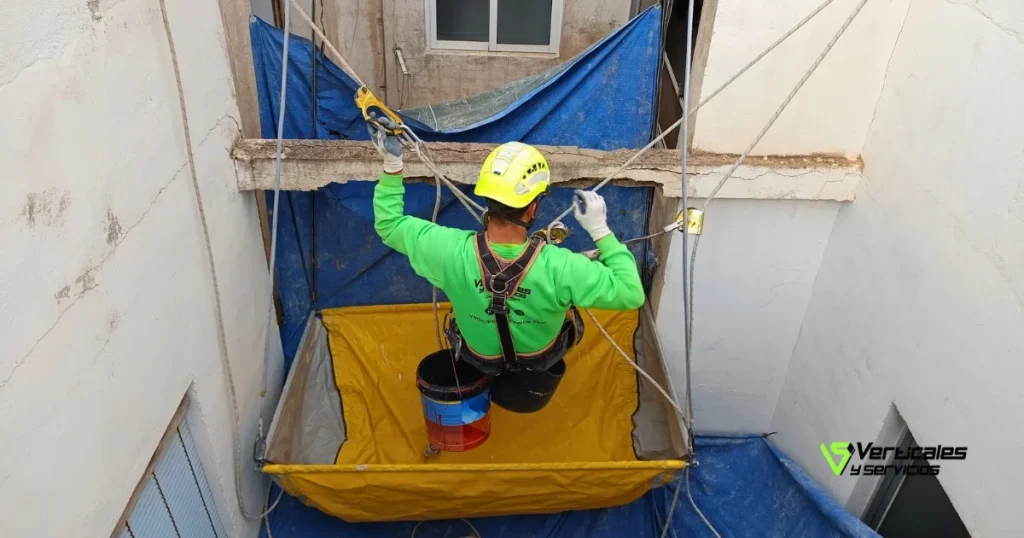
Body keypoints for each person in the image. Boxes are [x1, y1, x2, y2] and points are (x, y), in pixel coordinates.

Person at [369, 119, 645, 413]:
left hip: (478, 357)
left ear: (487, 198)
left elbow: (388, 223)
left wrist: (392, 161)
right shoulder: (562, 266)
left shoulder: (448, 251)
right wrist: (601, 230)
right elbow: (631, 293)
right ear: (533, 208)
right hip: (542, 356)